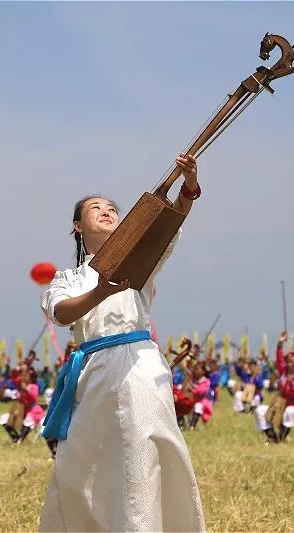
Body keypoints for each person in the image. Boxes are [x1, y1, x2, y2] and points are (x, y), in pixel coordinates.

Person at [38, 154, 205, 532]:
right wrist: (98, 293)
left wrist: (189, 185)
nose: (107, 211)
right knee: (83, 463)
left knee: (144, 448)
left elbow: (169, 225)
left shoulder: (141, 261)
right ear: (78, 226)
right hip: (92, 371)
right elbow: (61, 313)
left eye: (113, 208)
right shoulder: (67, 278)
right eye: (96, 208)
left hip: (139, 363)